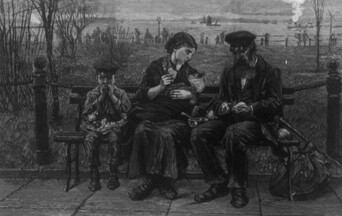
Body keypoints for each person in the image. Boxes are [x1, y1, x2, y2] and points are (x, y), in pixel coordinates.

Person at [190, 30, 282, 208]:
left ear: (251, 49)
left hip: (258, 123)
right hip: (230, 118)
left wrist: (252, 108)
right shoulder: (229, 71)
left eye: (241, 51)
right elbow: (220, 98)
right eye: (234, 51)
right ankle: (218, 181)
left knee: (234, 133)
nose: (237, 55)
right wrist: (222, 106)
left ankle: (238, 188)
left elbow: (275, 102)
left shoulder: (268, 72)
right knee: (198, 134)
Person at [126, 32, 205, 201]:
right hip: (153, 117)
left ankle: (152, 182)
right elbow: (141, 95)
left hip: (178, 120)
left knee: (165, 133)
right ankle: (161, 181)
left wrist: (190, 95)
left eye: (192, 53)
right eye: (187, 51)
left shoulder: (190, 73)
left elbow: (197, 101)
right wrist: (160, 86)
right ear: (175, 48)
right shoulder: (156, 67)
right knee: (142, 129)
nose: (190, 57)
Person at [81, 59, 131, 192]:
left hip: (114, 126)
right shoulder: (92, 94)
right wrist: (101, 98)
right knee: (90, 139)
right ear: (97, 78)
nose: (105, 82)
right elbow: (86, 112)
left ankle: (113, 174)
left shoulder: (121, 93)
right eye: (102, 78)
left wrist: (111, 96)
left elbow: (126, 111)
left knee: (115, 139)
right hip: (95, 126)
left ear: (114, 78)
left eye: (109, 78)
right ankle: (94, 174)